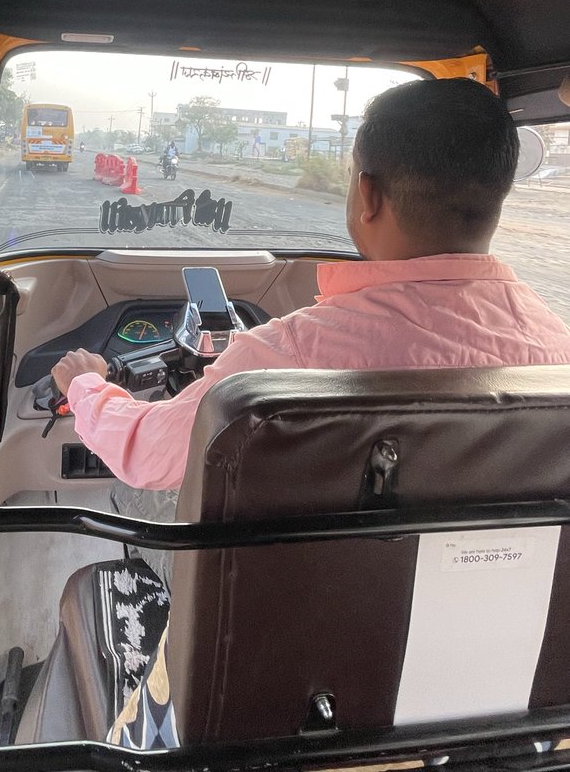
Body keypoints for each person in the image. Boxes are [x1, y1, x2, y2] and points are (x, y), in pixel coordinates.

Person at [53, 78, 570, 494]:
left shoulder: (289, 354)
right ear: (498, 195)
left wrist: (87, 385)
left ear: (368, 194)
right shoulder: (556, 347)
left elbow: (147, 454)